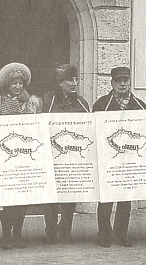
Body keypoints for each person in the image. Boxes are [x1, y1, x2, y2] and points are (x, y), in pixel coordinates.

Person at [0, 62, 42, 249]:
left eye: (20, 83)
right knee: (6, 199)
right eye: (14, 84)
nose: (17, 87)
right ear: (7, 85)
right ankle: (6, 234)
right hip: (5, 157)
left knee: (21, 199)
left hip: (23, 158)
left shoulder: (33, 102)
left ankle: (18, 234)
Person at [92, 66, 146, 248]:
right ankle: (104, 233)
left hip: (129, 160)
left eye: (125, 80)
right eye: (118, 81)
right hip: (108, 158)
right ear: (112, 83)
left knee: (125, 199)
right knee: (106, 199)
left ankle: (121, 234)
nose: (122, 84)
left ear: (130, 82)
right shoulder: (101, 105)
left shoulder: (140, 106)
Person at [42, 64, 90, 245]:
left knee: (71, 195)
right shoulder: (48, 101)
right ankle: (51, 229)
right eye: (70, 80)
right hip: (52, 156)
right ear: (60, 82)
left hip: (72, 158)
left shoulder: (82, 104)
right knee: (52, 196)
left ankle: (66, 229)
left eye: (76, 79)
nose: (74, 83)